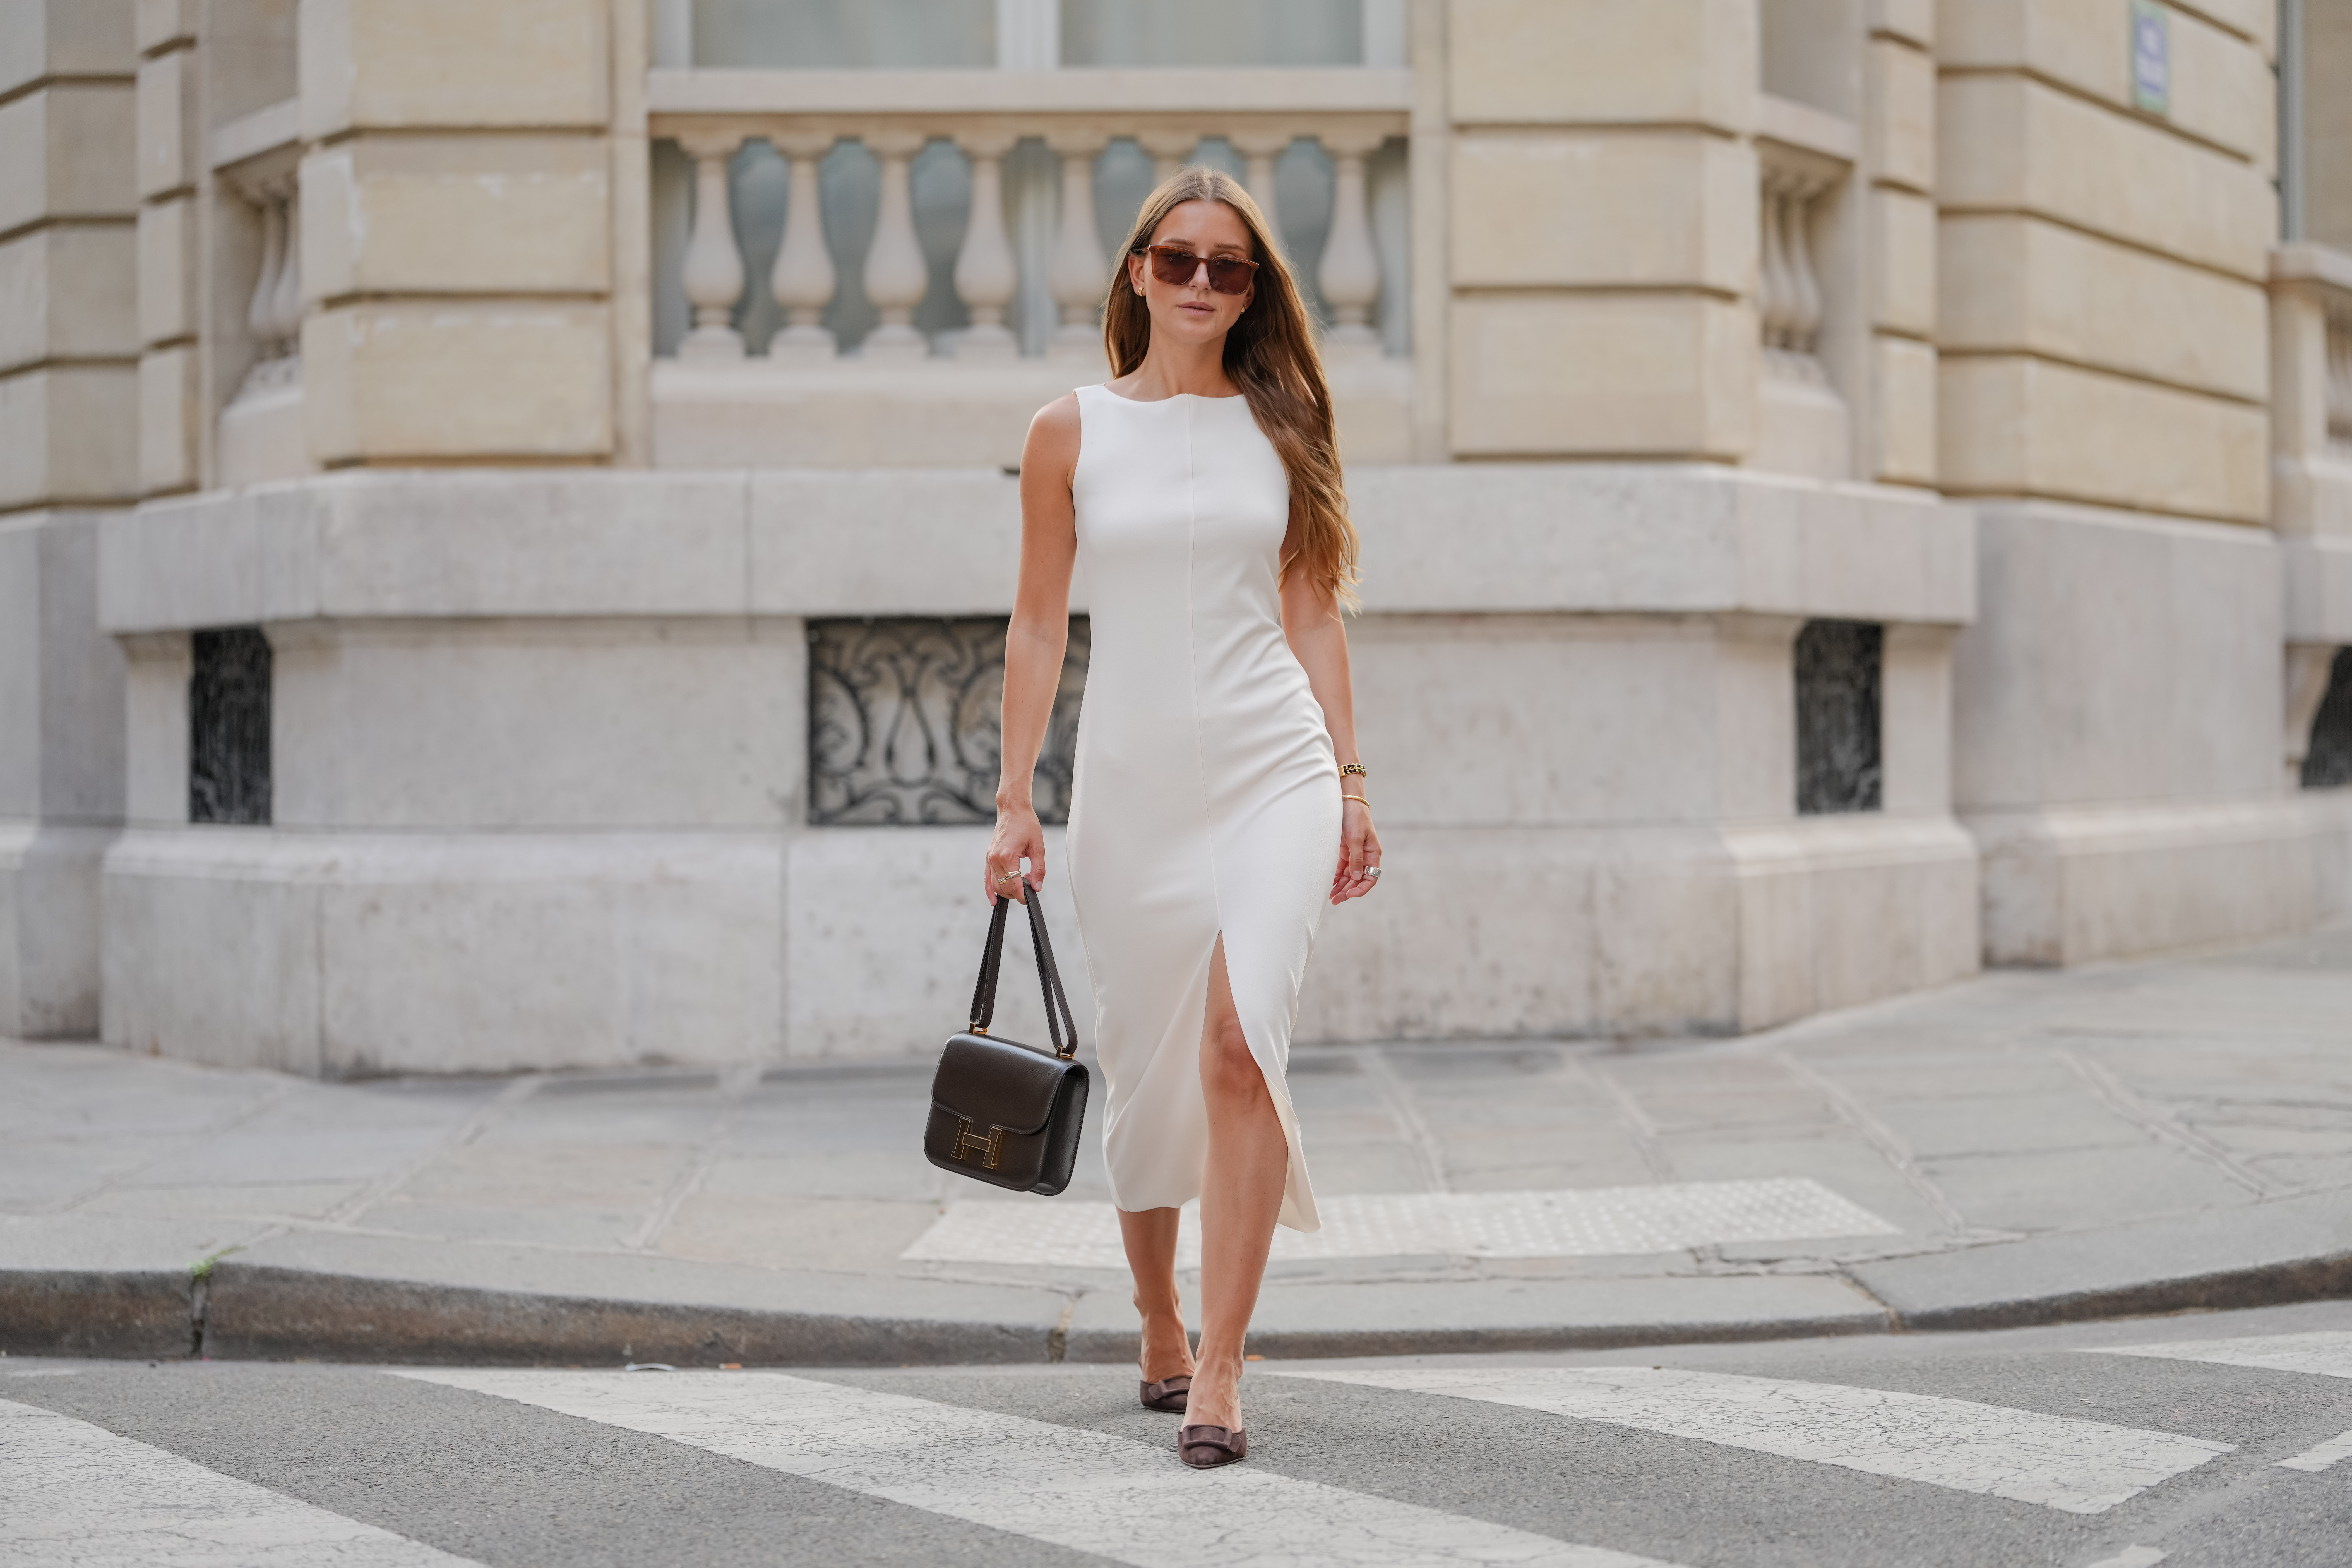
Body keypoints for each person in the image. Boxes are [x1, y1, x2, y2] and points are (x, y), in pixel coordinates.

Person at [984, 166, 1381, 1470]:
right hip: (1130, 789)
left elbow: (1313, 612)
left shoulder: (1285, 422)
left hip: (1274, 767)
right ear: (1135, 276)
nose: (1203, 284)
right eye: (1179, 261)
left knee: (1235, 1043)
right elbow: (1038, 622)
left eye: (1230, 267)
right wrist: (1012, 797)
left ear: (1254, 289)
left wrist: (1352, 778)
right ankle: (1153, 1315)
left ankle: (1220, 1360)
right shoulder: (1069, 430)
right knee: (1150, 1068)